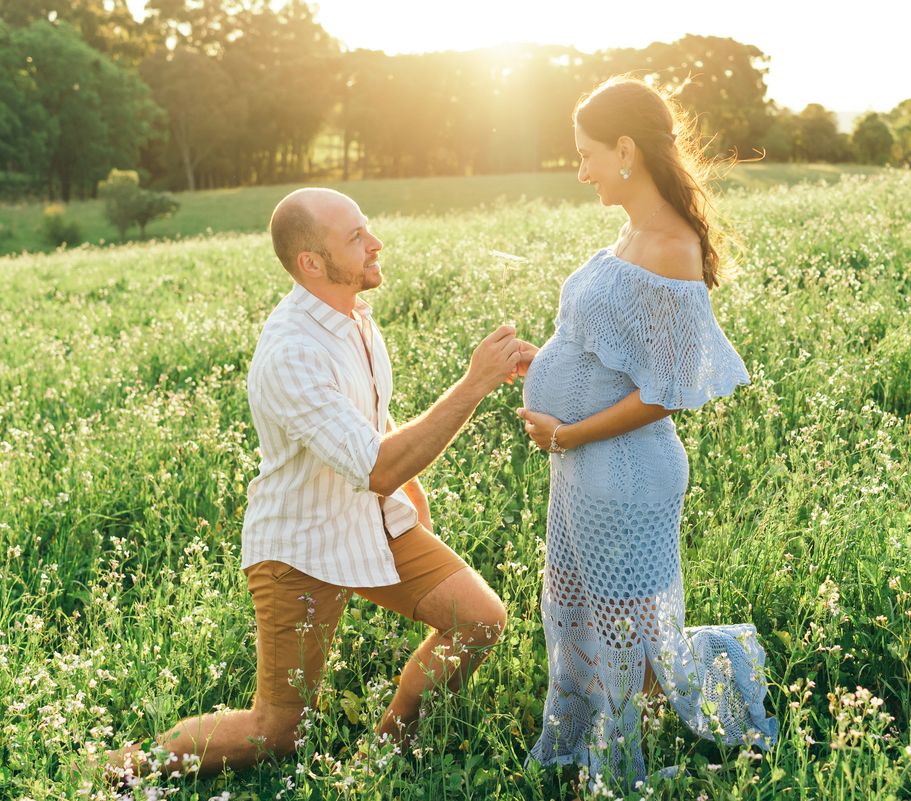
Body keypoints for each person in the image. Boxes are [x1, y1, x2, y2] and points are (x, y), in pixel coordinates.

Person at [105, 187, 519, 781]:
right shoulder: (291, 351)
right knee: (277, 731)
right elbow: (377, 464)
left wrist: (413, 503)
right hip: (300, 549)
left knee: (479, 620)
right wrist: (475, 383)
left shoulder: (355, 316)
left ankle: (390, 752)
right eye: (355, 238)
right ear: (311, 263)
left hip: (373, 522)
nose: (375, 243)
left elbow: (372, 425)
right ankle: (118, 768)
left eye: (366, 228)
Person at [514, 77, 778, 787]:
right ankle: (574, 745)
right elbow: (610, 349)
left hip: (626, 472)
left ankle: (635, 749)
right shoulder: (629, 233)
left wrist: (567, 433)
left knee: (631, 636)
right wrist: (543, 362)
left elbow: (666, 394)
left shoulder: (670, 246)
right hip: (581, 468)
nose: (581, 169)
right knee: (578, 615)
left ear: (625, 149)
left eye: (586, 153)